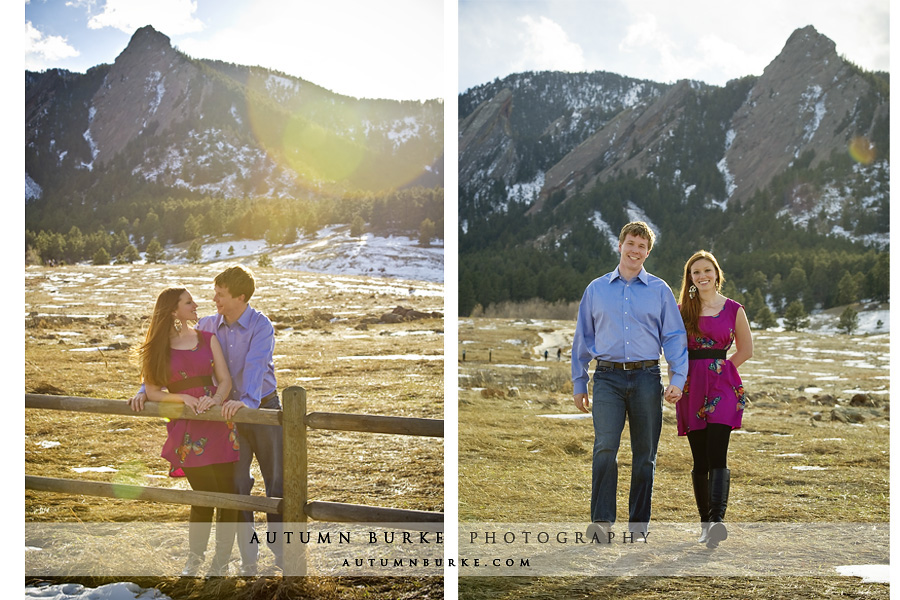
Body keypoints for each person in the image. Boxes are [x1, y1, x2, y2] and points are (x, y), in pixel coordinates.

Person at [132, 266, 282, 575]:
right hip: (224, 416)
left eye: (221, 295)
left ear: (240, 297)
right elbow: (170, 357)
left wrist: (247, 404)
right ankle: (247, 561)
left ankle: (283, 557)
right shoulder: (210, 325)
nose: (213, 299)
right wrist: (145, 391)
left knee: (276, 485)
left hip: (260, 409)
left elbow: (255, 367)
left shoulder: (260, 325)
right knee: (237, 487)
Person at [572, 221, 688, 538]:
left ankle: (638, 526)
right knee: (605, 448)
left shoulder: (660, 291)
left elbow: (675, 337)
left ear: (647, 252)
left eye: (642, 246)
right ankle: (602, 522)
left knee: (644, 456)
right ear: (620, 245)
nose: (635, 250)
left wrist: (678, 377)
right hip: (607, 378)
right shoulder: (596, 289)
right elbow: (583, 337)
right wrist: (579, 382)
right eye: (630, 243)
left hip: (647, 377)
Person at [131, 287, 240, 577]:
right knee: (204, 496)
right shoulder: (157, 348)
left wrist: (215, 400)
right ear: (172, 311)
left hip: (218, 424)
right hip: (188, 431)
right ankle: (194, 560)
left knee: (228, 495)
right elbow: (153, 390)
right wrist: (184, 398)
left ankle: (221, 563)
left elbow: (225, 380)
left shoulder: (208, 338)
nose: (196, 305)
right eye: (188, 302)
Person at [676, 250, 752, 548]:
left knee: (718, 452)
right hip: (691, 386)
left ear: (716, 274)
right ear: (690, 278)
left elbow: (746, 349)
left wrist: (723, 370)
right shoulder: (682, 310)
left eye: (707, 270)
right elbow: (674, 349)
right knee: (700, 458)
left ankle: (717, 520)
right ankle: (706, 526)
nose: (702, 276)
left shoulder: (734, 309)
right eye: (696, 272)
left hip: (722, 386)